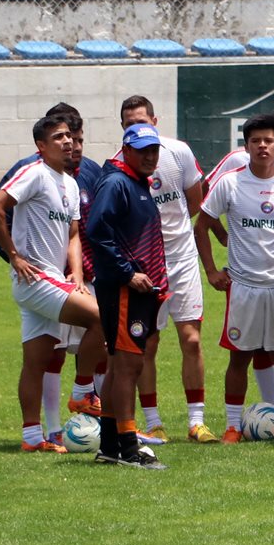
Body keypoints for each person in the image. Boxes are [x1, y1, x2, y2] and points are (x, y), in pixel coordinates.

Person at [0, 104, 107, 441]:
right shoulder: (34, 172)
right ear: (41, 145)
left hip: (52, 279)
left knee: (36, 360)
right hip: (35, 280)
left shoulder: (68, 181)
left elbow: (74, 234)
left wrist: (77, 274)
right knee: (104, 318)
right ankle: (82, 391)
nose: (67, 142)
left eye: (69, 136)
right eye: (58, 137)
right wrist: (14, 256)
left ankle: (33, 437)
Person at [194, 115, 274, 444]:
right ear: (246, 146)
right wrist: (212, 271)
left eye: (269, 141)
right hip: (243, 286)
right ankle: (233, 426)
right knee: (239, 356)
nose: (263, 146)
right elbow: (201, 225)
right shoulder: (230, 182)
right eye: (256, 140)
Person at [117, 96, 212, 443]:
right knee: (148, 343)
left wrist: (174, 233)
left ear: (155, 121)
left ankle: (196, 422)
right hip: (145, 265)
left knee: (191, 339)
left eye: (142, 121)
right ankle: (154, 421)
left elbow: (194, 200)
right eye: (129, 124)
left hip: (182, 258)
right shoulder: (118, 167)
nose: (137, 127)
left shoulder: (179, 153)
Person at [85, 124, 170, 469]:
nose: (151, 156)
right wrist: (127, 273)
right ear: (126, 149)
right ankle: (129, 447)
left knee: (121, 365)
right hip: (124, 290)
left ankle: (110, 445)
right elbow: (96, 230)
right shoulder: (117, 183)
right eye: (143, 150)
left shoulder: (136, 182)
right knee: (129, 366)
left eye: (154, 150)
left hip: (139, 290)